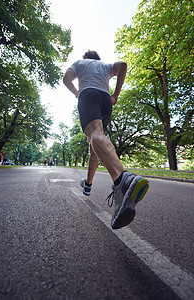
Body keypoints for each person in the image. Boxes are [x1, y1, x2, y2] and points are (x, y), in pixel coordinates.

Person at [63, 50, 149, 229]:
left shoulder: (80, 63)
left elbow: (66, 79)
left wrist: (77, 92)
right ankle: (88, 184)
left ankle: (122, 180)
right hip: (105, 100)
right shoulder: (104, 66)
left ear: (86, 58)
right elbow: (123, 65)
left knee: (94, 134)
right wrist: (115, 95)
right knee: (96, 141)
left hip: (89, 95)